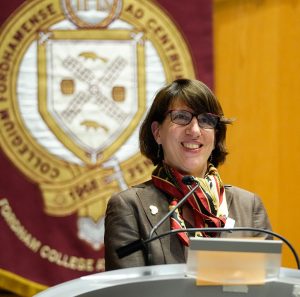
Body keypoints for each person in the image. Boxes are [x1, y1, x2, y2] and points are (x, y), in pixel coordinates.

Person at [104, 78, 272, 271]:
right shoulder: (130, 207)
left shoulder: (248, 206)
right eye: (182, 117)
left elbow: (266, 287)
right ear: (157, 132)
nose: (194, 130)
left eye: (206, 120)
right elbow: (127, 291)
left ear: (216, 135)